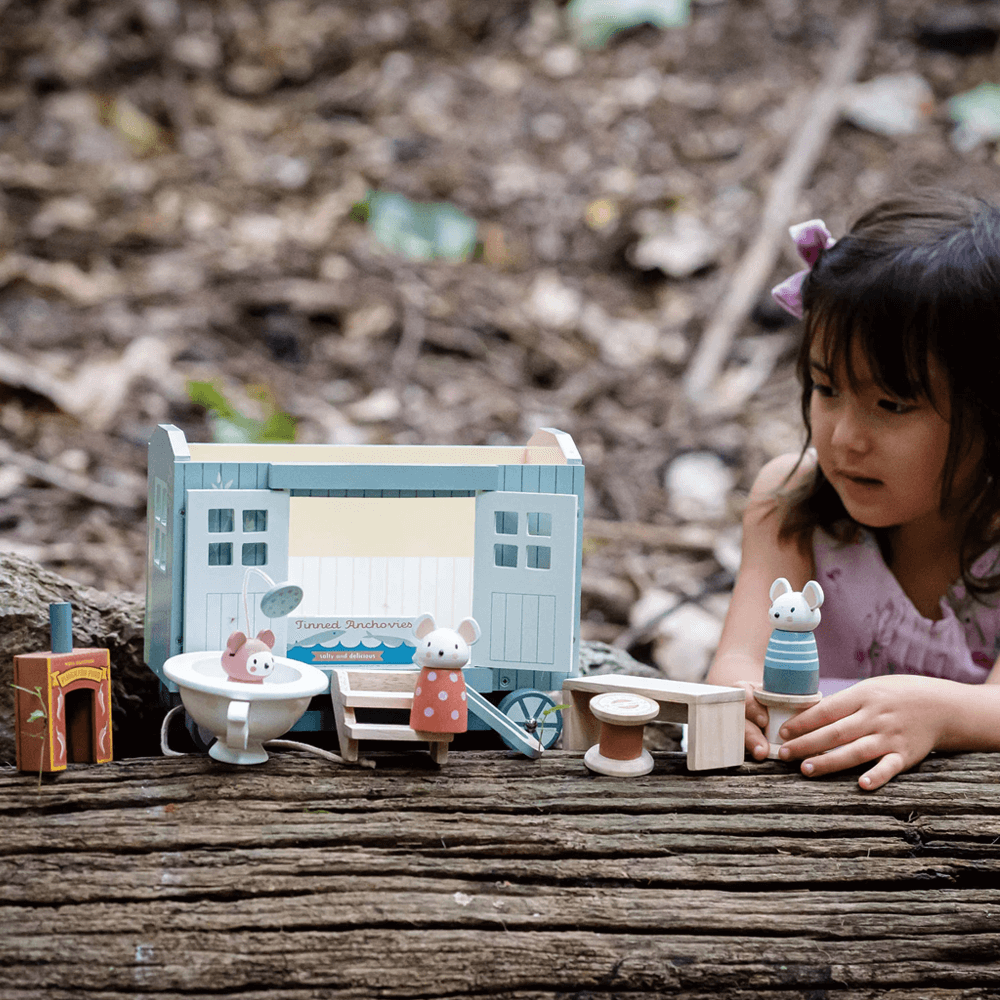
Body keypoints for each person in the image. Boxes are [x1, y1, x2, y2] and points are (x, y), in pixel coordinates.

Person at [706, 189, 1000, 791]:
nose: (844, 436)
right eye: (826, 387)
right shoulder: (790, 505)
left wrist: (940, 713)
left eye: (891, 404)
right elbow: (737, 663)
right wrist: (737, 697)